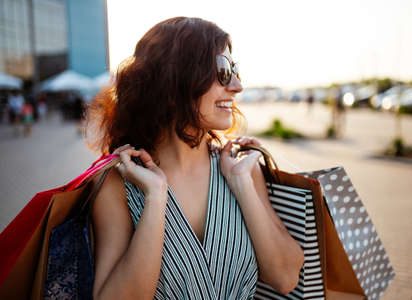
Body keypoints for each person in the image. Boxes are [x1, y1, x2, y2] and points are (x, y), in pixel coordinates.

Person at [86, 17, 304, 299]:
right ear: (174, 80)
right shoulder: (117, 184)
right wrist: (155, 198)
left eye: (234, 69)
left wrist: (242, 185)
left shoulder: (241, 168)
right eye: (224, 71)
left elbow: (285, 278)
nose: (237, 85)